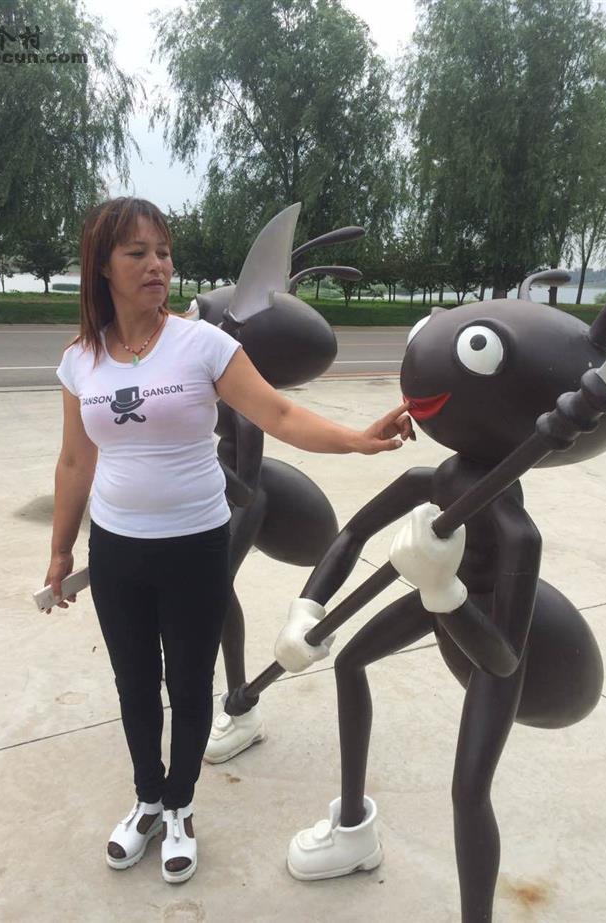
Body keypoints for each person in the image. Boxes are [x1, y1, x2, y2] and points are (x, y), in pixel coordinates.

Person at [43, 196, 414, 885]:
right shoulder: (80, 360)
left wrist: (359, 440)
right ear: (102, 266)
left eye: (163, 252)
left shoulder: (203, 345)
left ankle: (180, 806)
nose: (156, 265)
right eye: (137, 253)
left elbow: (280, 413)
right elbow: (74, 461)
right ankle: (147, 800)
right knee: (133, 683)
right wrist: (63, 549)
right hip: (116, 549)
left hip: (194, 545)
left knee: (189, 684)